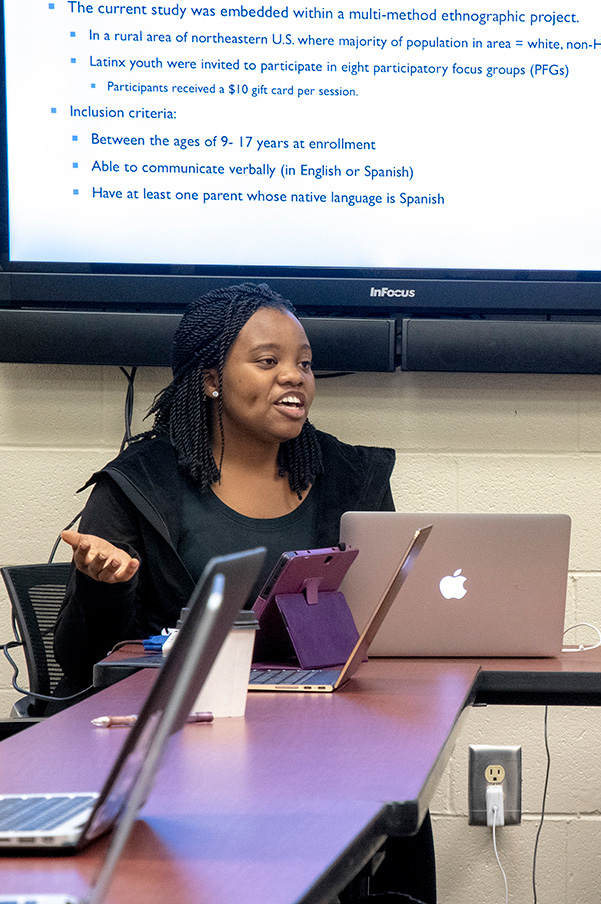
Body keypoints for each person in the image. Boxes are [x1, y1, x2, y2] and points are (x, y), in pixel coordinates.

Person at [53, 281, 433, 904]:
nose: (295, 377)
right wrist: (104, 587)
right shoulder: (143, 483)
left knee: (400, 798)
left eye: (304, 363)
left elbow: (377, 621)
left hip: (323, 737)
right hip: (186, 739)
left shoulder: (346, 475)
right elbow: (80, 660)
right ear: (210, 379)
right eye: (268, 361)